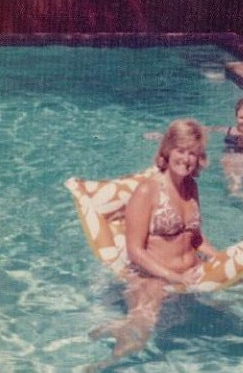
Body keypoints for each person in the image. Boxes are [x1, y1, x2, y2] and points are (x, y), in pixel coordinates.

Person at [91, 119, 220, 362]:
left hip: (188, 275)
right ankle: (98, 366)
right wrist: (175, 278)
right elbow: (135, 251)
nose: (186, 158)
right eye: (181, 150)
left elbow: (196, 238)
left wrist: (222, 258)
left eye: (192, 152)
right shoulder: (147, 191)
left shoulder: (191, 187)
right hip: (153, 280)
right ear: (167, 151)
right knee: (136, 340)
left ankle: (114, 327)